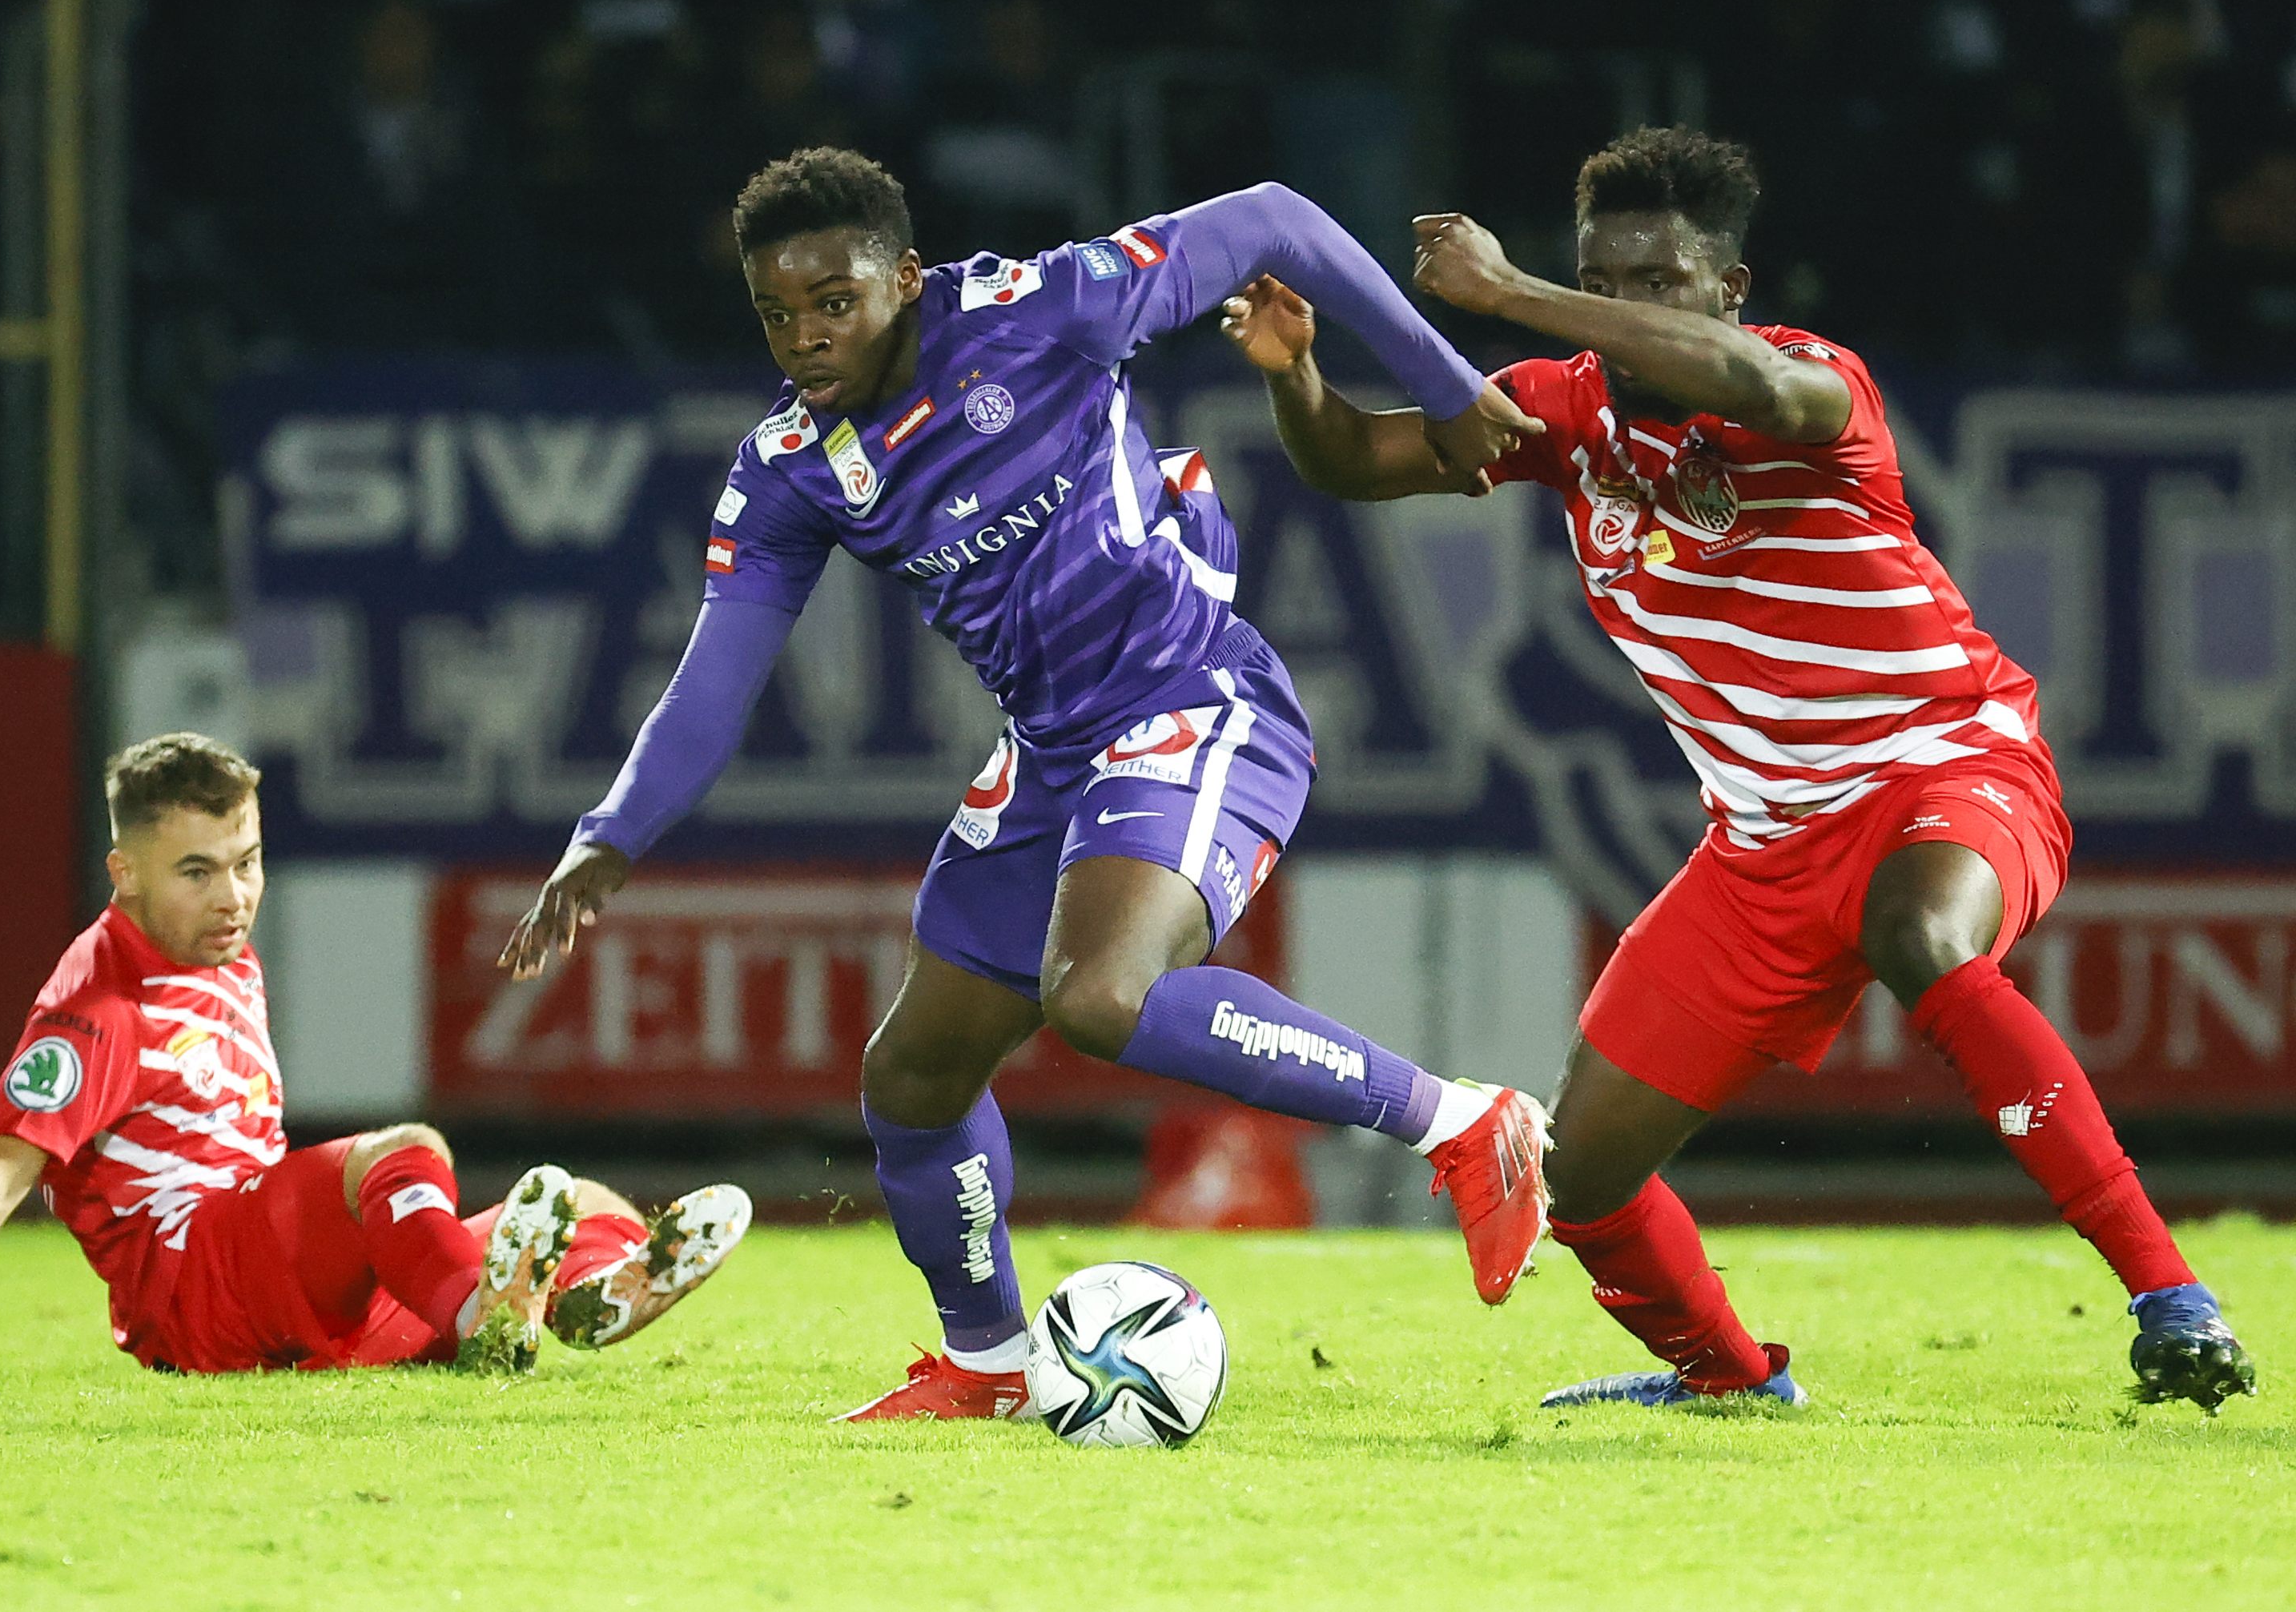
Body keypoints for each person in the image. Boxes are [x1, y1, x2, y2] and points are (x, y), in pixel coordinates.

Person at [500, 147, 1555, 1421]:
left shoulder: (1038, 308)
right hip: (1053, 747)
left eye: (835, 302)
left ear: (904, 276)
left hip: (1193, 697)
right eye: (777, 314)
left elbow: (1277, 220)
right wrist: (609, 836)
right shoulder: (788, 465)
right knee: (914, 1079)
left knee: (1102, 995)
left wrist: (1449, 386)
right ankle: (992, 1362)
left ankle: (1462, 1120)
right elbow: (714, 678)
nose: (806, 337)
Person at [1222, 125, 2258, 1413]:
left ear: (1731, 291)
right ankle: (1727, 1381)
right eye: (1610, 278)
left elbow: (1740, 384)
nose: (1628, 307)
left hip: (1946, 768)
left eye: (1660, 281)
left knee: (1923, 936)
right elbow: (1353, 465)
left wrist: (1509, 294)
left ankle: (2173, 1296)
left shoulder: (1818, 385)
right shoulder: (1566, 409)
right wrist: (1297, 373)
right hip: (1761, 847)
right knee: (1581, 1171)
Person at [0, 734, 748, 1384]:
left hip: (279, 1293)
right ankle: (487, 1320)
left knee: (589, 1202)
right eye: (198, 871)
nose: (235, 895)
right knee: (399, 1152)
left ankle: (575, 1299)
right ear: (125, 872)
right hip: (194, 1286)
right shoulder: (99, 1011)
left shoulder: (221, 951)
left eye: (248, 862)